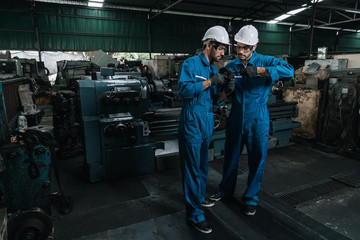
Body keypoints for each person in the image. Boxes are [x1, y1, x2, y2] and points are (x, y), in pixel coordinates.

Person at [209, 25, 294, 216]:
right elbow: (219, 97)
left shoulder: (265, 60)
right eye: (238, 47)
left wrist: (260, 71)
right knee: (230, 157)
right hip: (236, 116)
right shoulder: (232, 66)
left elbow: (289, 72)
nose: (240, 51)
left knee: (257, 159)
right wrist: (224, 87)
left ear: (255, 46)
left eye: (245, 48)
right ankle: (225, 191)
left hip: (258, 118)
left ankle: (250, 199)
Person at [178, 25, 235, 234]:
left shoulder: (212, 69)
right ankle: (194, 215)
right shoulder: (190, 64)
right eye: (220, 49)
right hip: (192, 122)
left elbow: (214, 99)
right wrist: (211, 81)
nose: (222, 53)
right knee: (192, 170)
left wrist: (227, 90)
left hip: (206, 121)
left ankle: (198, 199)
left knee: (202, 167)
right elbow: (184, 91)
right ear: (209, 45)